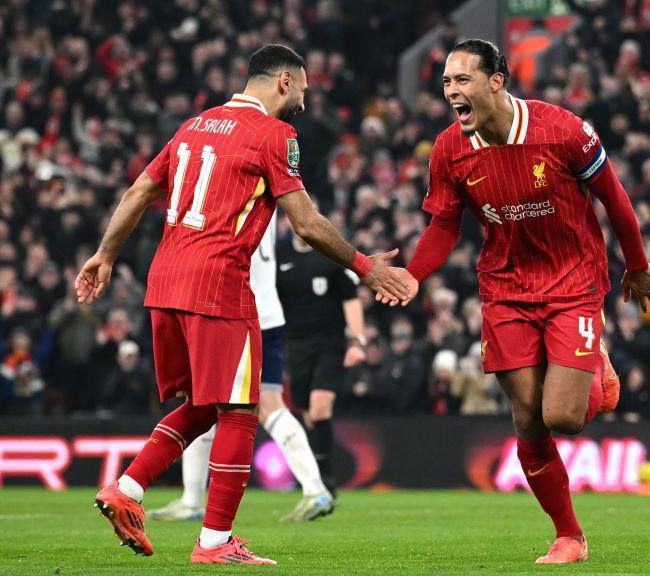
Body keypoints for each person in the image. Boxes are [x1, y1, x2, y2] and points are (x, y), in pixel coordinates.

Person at [75, 44, 409, 565]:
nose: (304, 97)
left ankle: (128, 489)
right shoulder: (277, 135)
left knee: (205, 406)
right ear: (282, 82)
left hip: (165, 282)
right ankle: (214, 543)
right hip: (218, 284)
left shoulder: (194, 126)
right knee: (239, 412)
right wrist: (366, 267)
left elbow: (141, 188)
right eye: (302, 87)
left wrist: (104, 254)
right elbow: (306, 223)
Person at [377, 39, 650, 564]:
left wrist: (638, 263)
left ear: (496, 81)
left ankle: (596, 369)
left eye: (461, 80)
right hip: (505, 289)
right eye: (446, 82)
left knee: (562, 417)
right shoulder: (449, 149)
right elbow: (444, 225)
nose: (450, 92)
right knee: (528, 419)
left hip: (573, 283)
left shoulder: (564, 131)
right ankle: (569, 537)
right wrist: (414, 274)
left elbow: (614, 198)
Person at [148, 212, 335, 525]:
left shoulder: (232, 193)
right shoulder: (268, 192)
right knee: (267, 403)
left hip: (235, 312)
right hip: (268, 311)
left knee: (203, 401)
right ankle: (315, 488)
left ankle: (193, 500)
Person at [275, 213, 368, 503]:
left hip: (330, 342)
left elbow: (350, 299)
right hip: (295, 344)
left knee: (320, 408)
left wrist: (357, 340)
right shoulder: (278, 255)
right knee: (306, 414)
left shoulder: (330, 255)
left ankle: (326, 480)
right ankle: (314, 480)